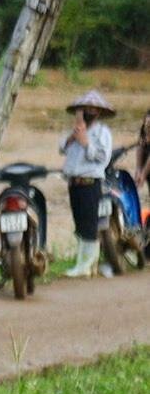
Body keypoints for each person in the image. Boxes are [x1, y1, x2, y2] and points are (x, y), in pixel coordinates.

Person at [60, 89, 115, 278]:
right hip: (74, 182)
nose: (88, 111)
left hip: (91, 182)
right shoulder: (75, 130)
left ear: (98, 112)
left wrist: (86, 143)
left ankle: (85, 265)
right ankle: (85, 264)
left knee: (89, 224)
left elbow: (103, 158)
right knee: (79, 224)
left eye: (92, 109)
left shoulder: (103, 133)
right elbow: (62, 149)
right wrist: (73, 137)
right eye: (85, 108)